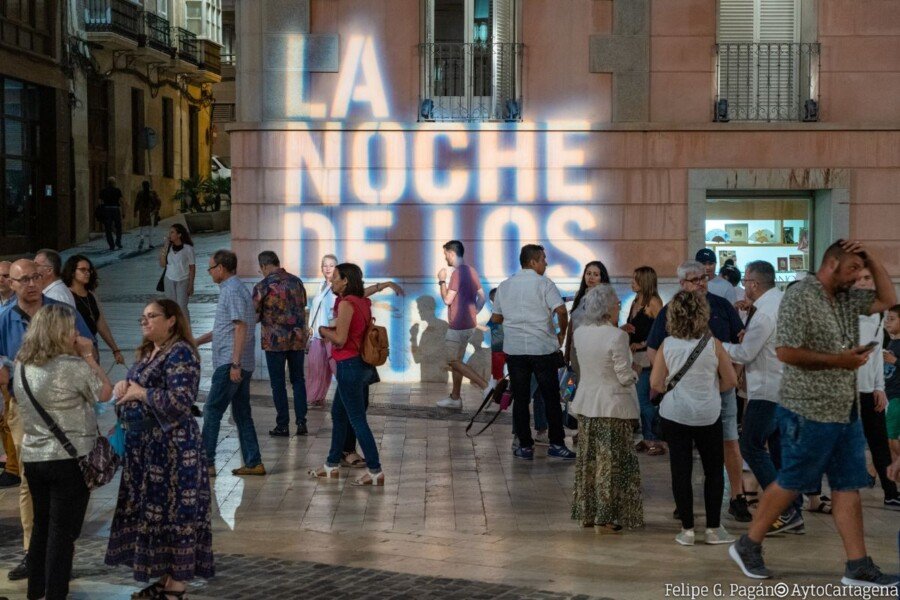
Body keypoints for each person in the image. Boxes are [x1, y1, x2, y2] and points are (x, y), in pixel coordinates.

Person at [730, 240, 898, 586]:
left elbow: (887, 300)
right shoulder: (801, 296)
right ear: (832, 265)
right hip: (808, 408)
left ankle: (858, 565)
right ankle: (747, 544)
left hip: (844, 408)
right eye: (853, 269)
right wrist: (841, 361)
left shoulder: (848, 298)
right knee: (792, 480)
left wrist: (871, 256)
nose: (858, 278)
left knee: (847, 485)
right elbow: (787, 352)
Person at [105, 299, 214, 600]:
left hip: (173, 452)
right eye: (143, 317)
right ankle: (167, 578)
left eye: (152, 316)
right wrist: (124, 385)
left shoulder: (181, 352)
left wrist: (142, 392)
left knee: (176, 514)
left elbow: (181, 400)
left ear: (172, 321)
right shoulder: (149, 351)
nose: (145, 322)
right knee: (157, 516)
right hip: (147, 450)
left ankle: (176, 586)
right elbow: (137, 382)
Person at [0, 259, 93, 581]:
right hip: (25, 409)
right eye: (22, 279)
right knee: (30, 481)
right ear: (11, 284)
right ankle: (33, 553)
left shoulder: (61, 310)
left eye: (35, 277)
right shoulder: (4, 318)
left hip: (68, 410)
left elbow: (86, 344)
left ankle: (59, 548)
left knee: (70, 485)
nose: (30, 284)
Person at [13, 304, 112, 600]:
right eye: (71, 329)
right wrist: (89, 357)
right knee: (63, 533)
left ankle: (35, 591)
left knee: (41, 526)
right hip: (70, 461)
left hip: (34, 458)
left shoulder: (21, 365)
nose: (76, 334)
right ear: (58, 333)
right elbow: (104, 393)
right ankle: (56, 594)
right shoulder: (73, 366)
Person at [647, 260, 750, 522]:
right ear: (682, 283)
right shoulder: (670, 310)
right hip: (684, 392)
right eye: (695, 280)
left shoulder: (722, 305)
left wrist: (733, 375)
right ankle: (685, 503)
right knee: (682, 455)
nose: (702, 283)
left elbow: (740, 342)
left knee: (728, 443)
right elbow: (654, 350)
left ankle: (737, 497)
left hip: (720, 390)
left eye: (704, 278)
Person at [722, 261, 805, 534]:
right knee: (779, 451)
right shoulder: (780, 302)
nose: (744, 286)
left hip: (768, 390)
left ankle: (786, 510)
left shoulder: (765, 313)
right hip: (787, 387)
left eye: (746, 281)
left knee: (751, 446)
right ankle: (794, 511)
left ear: (755, 284)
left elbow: (746, 354)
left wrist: (715, 345)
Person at [651, 290, 738, 546]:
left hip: (675, 414)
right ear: (703, 315)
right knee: (713, 471)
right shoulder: (713, 344)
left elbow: (656, 382)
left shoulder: (667, 345)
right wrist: (710, 389)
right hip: (708, 415)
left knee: (681, 471)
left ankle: (687, 530)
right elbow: (731, 380)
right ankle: (713, 529)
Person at [491, 244, 576, 461]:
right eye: (543, 259)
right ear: (533, 262)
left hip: (515, 350)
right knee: (550, 398)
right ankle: (556, 444)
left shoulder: (505, 286)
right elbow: (561, 309)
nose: (546, 263)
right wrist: (561, 334)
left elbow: (496, 319)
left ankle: (525, 446)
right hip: (543, 349)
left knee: (520, 399)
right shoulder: (545, 284)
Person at [571, 284, 642, 532]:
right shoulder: (617, 336)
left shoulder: (580, 332)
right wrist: (636, 373)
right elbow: (623, 375)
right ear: (606, 308)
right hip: (612, 407)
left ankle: (588, 514)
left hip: (587, 404)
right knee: (612, 464)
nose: (618, 308)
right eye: (616, 304)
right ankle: (609, 516)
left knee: (589, 462)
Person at [308, 263, 385, 486]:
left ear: (345, 281)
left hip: (349, 365)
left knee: (357, 420)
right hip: (361, 366)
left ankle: (375, 470)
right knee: (339, 414)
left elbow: (340, 339)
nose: (332, 282)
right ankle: (331, 465)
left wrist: (322, 331)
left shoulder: (346, 304)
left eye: (336, 278)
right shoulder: (362, 301)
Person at [197, 250, 265, 477]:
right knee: (242, 413)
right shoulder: (232, 289)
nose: (209, 273)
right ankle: (254, 462)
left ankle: (207, 463)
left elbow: (241, 327)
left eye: (210, 268)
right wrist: (196, 341)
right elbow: (224, 329)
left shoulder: (233, 290)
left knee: (212, 410)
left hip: (231, 363)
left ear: (221, 268)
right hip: (236, 361)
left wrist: (235, 364)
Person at [855, 270, 900, 509]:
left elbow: (875, 354)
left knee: (879, 440)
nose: (862, 283)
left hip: (867, 389)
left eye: (867, 278)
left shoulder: (877, 312)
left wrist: (878, 386)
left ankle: (891, 491)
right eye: (858, 278)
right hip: (843, 389)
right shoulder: (845, 309)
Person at [252, 251, 309, 437]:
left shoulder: (263, 286)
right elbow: (302, 307)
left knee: (278, 384)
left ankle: (282, 425)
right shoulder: (297, 282)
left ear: (264, 266)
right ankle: (301, 423)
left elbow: (254, 313)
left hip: (274, 342)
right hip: (297, 339)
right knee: (298, 380)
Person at [436, 241, 488, 409]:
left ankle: (486, 387)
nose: (445, 258)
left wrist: (442, 281)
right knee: (457, 360)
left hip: (457, 325)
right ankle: (455, 398)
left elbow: (447, 300)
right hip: (469, 326)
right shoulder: (472, 271)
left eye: (446, 254)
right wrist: (474, 313)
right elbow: (482, 297)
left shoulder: (457, 274)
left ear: (451, 253)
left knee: (452, 360)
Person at [622, 266, 664, 455]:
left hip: (647, 358)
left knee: (644, 399)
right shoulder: (635, 301)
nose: (632, 282)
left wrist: (642, 344)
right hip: (635, 358)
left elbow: (662, 330)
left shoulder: (654, 303)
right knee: (638, 400)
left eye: (635, 279)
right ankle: (647, 436)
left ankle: (654, 437)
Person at [62, 255, 126, 366]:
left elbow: (101, 324)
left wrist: (115, 349)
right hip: (76, 348)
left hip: (92, 344)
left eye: (89, 270)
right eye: (82, 270)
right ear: (72, 272)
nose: (87, 273)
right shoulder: (66, 295)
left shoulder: (91, 295)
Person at [564, 261, 610, 376]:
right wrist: (567, 349)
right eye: (588, 273)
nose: (591, 277)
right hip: (576, 349)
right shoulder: (579, 295)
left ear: (601, 278)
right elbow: (572, 324)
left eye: (595, 274)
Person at [306, 254, 338, 406]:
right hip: (318, 334)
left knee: (335, 368)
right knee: (316, 368)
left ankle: (347, 397)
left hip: (332, 334)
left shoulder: (338, 287)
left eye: (331, 265)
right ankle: (315, 397)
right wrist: (311, 328)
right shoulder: (321, 285)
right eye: (325, 265)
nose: (328, 268)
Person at [159, 224, 196, 325]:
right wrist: (165, 247)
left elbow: (192, 268)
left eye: (172, 232)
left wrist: (191, 284)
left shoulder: (188, 248)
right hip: (169, 279)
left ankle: (187, 332)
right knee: (171, 307)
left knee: (182, 307)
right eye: (169, 232)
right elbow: (162, 264)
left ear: (179, 234)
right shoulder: (168, 248)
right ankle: (174, 331)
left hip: (183, 280)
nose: (169, 235)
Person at [884, 305, 900, 462]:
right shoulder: (891, 343)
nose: (887, 322)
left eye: (892, 319)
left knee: (890, 437)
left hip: (897, 396)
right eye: (886, 319)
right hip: (889, 395)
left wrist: (894, 360)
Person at [134, 180, 161, 251]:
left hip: (143, 212)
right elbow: (158, 201)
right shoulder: (153, 193)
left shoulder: (140, 193)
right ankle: (150, 244)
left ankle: (142, 239)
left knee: (142, 227)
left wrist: (135, 211)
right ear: (149, 185)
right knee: (150, 228)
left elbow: (136, 202)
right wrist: (157, 209)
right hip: (151, 212)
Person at [99, 177, 125, 251]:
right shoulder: (117, 190)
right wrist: (123, 211)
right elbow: (121, 201)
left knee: (108, 228)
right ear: (114, 183)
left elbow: (100, 202)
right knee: (118, 227)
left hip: (107, 210)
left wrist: (101, 211)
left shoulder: (103, 191)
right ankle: (118, 241)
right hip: (115, 209)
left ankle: (111, 245)